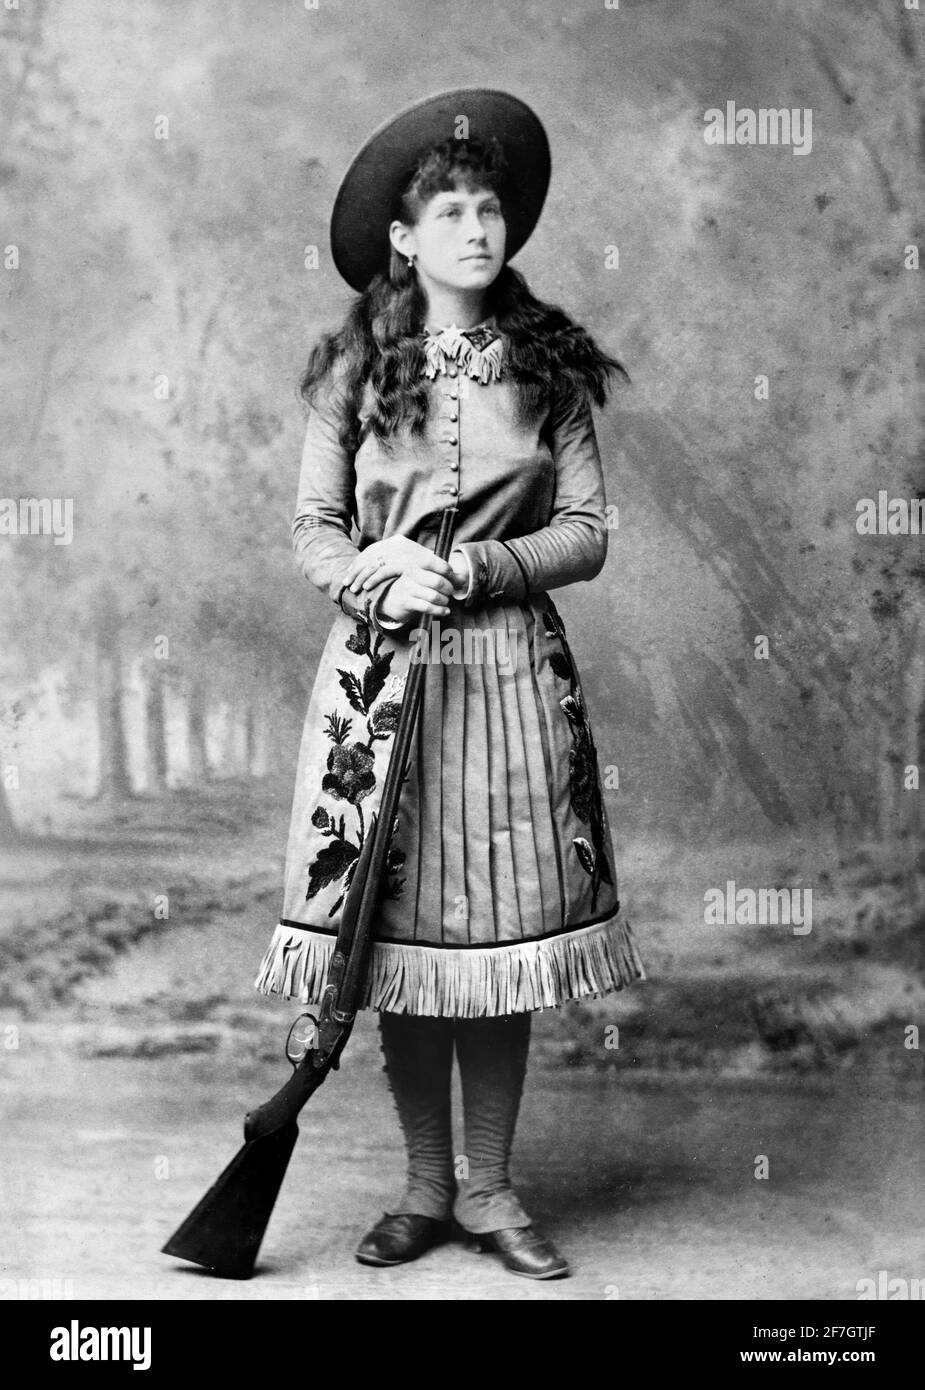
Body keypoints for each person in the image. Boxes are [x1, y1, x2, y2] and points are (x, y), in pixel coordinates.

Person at [255, 89, 645, 1281]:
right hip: (378, 694)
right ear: (405, 241)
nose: (477, 228)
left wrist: (475, 565)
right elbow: (313, 532)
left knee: (495, 942)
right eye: (451, 213)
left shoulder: (549, 371)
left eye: (490, 209)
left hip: (512, 680)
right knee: (401, 936)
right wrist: (376, 578)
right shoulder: (354, 375)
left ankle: (488, 1189)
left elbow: (586, 531)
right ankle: (423, 1188)